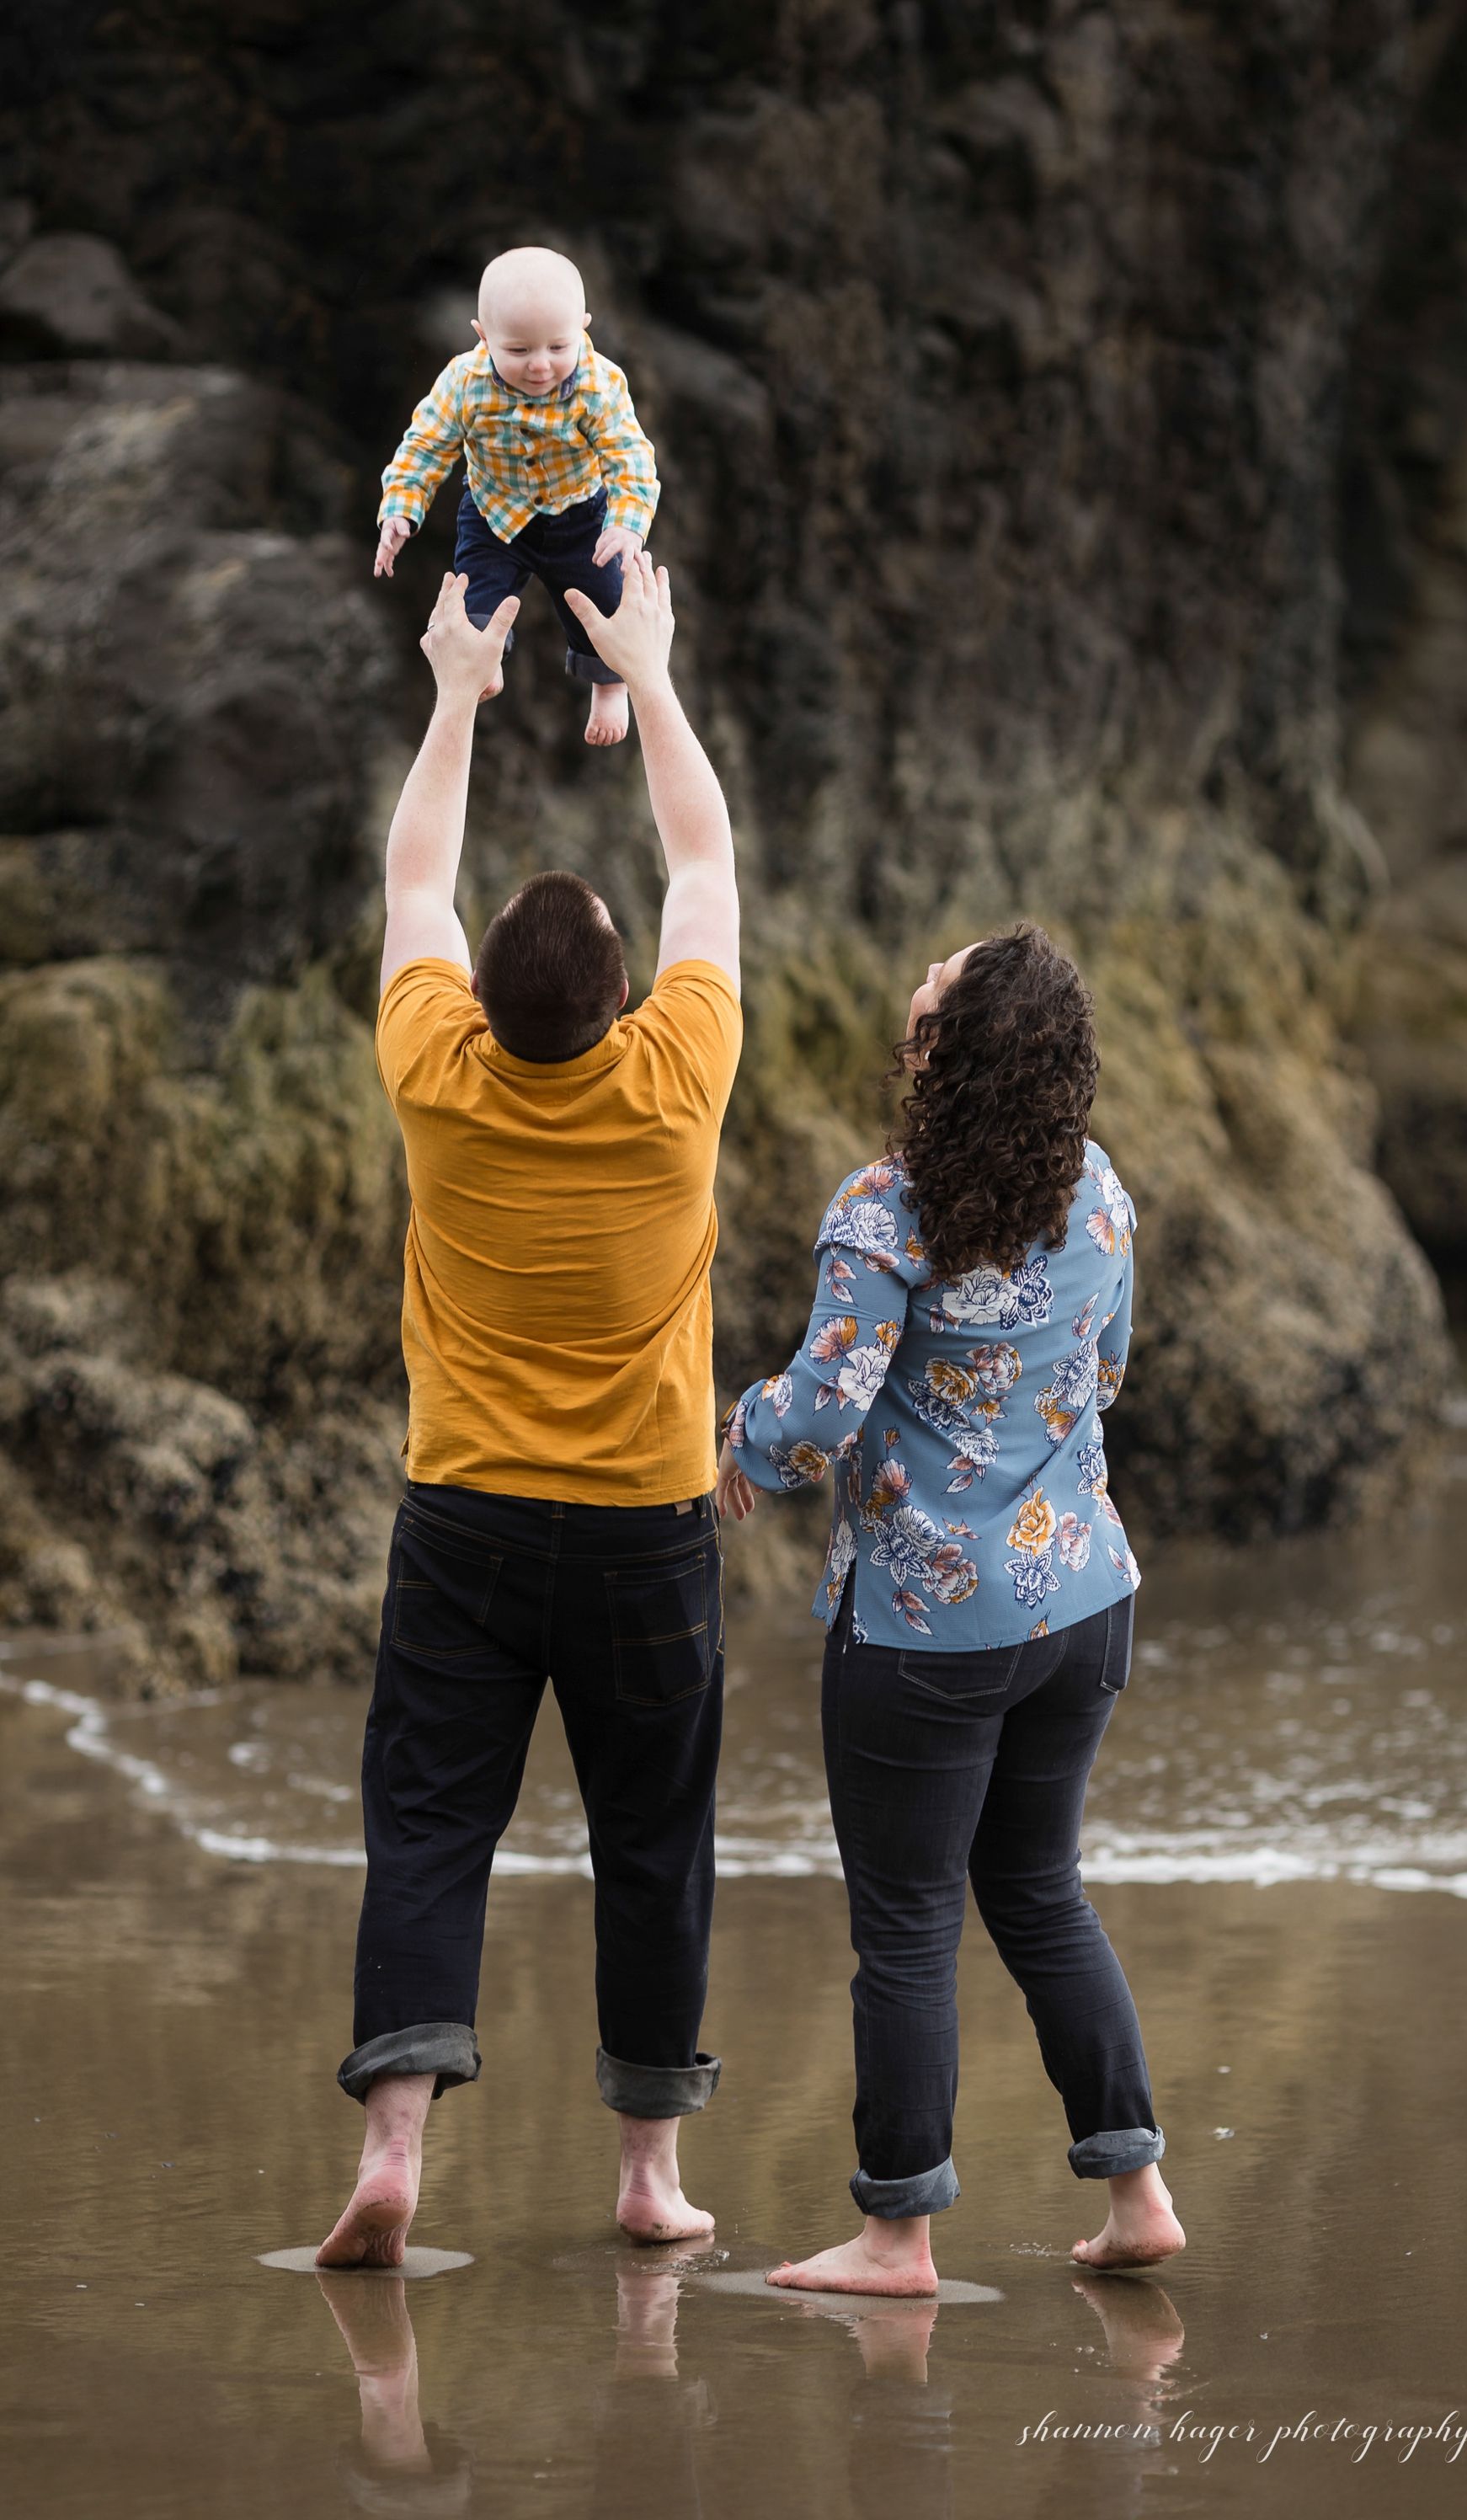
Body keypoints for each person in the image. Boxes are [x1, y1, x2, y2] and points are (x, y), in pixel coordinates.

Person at [317, 547, 740, 2268]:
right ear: (623, 1001)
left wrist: (455, 694)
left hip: (467, 1517)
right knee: (652, 1839)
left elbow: (414, 868)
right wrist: (649, 671)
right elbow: (701, 855)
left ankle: (397, 2139)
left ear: (480, 1001)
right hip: (648, 1526)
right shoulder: (673, 1078)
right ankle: (645, 2175)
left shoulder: (434, 1068)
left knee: (428, 1823)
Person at [717, 928, 1185, 2298]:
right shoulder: (1100, 1194)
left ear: (943, 1055)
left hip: (926, 1628)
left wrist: (733, 1444)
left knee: (911, 1922)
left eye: (931, 993)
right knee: (1041, 1892)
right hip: (1085, 1601)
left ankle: (897, 2236)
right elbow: (1103, 1373)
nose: (913, 983)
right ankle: (1137, 2188)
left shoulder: (884, 1211)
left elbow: (820, 1409)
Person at [375, 246, 658, 745]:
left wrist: (627, 522)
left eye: (557, 346)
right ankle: (483, 663)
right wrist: (401, 507)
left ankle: (611, 684)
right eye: (519, 350)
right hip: (494, 514)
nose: (541, 366)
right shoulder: (465, 382)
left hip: (580, 516)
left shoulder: (598, 384)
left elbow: (629, 455)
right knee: (472, 599)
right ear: (483, 337)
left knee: (604, 600)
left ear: (583, 327)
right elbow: (424, 445)